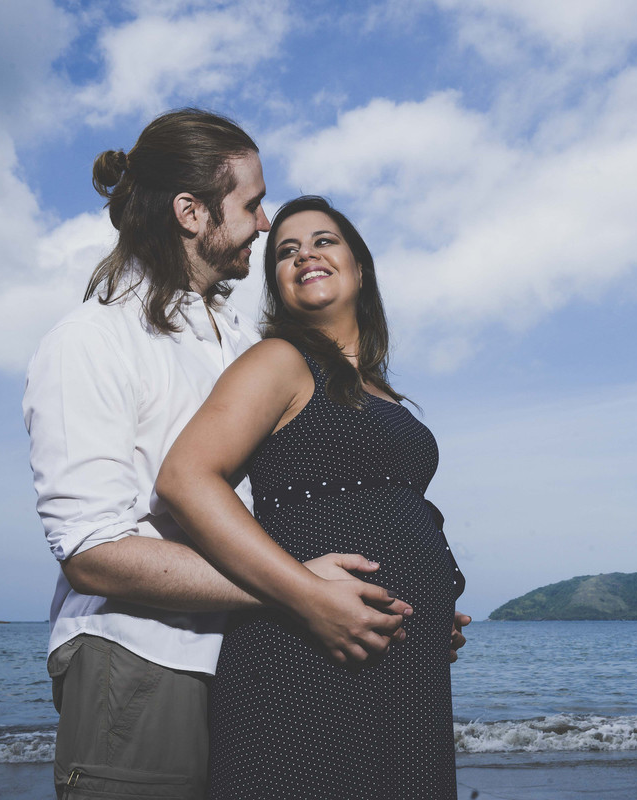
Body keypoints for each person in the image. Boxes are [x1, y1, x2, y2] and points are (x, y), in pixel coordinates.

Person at [23, 110, 444, 799]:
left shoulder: (245, 342)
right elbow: (93, 550)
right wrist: (299, 590)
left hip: (257, 664)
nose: (264, 220)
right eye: (251, 203)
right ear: (192, 213)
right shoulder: (90, 341)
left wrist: (395, 600)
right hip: (144, 662)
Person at [156, 196, 466, 799]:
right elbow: (185, 479)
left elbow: (387, 511)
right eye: (286, 252)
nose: (305, 256)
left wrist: (427, 605)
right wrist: (306, 593)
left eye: (324, 241)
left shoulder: (381, 392)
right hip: (303, 649)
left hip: (398, 660)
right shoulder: (280, 360)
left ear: (359, 265)